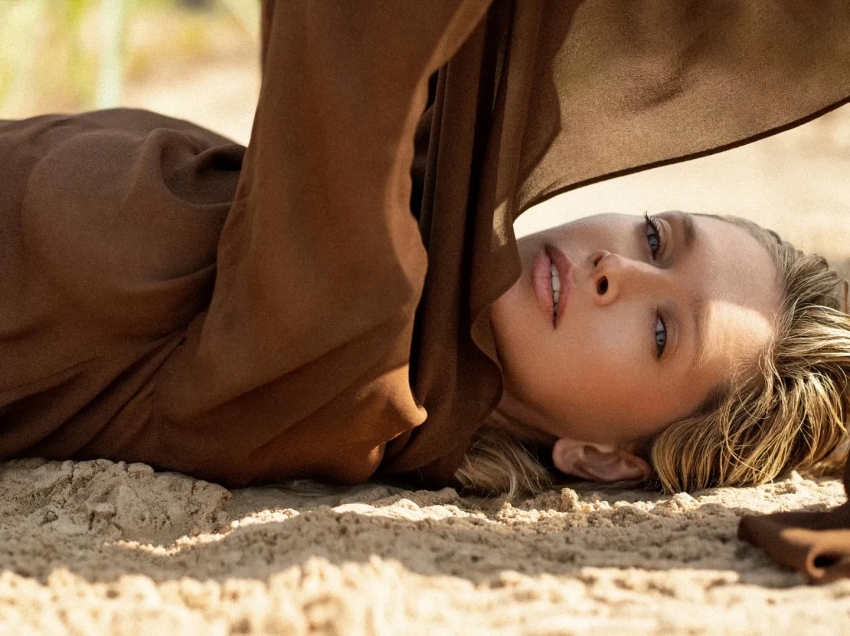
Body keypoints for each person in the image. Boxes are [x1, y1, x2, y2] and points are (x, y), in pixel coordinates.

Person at [1, 1, 849, 503]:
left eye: (661, 331)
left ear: (601, 456)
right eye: (655, 238)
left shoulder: (364, 371)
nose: (615, 271)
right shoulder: (430, 225)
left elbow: (360, 37)